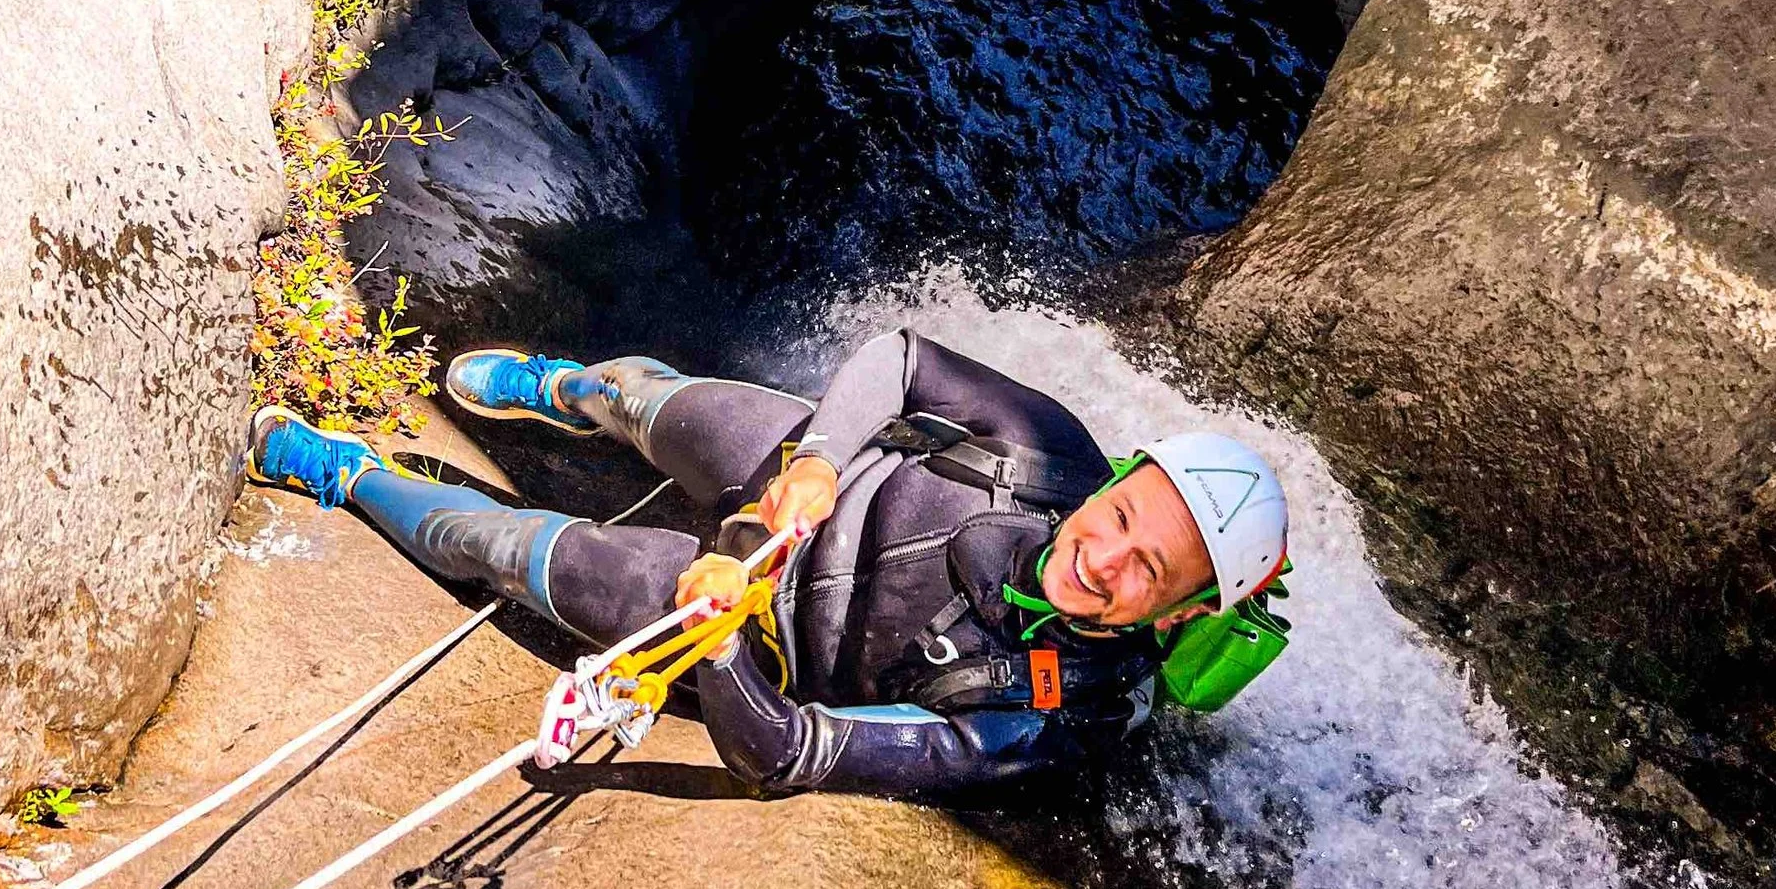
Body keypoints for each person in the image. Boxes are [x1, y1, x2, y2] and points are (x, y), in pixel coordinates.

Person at [248, 331, 1290, 800]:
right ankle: (572, 389)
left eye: (1143, 568)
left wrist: (717, 649)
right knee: (649, 406)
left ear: (1179, 614)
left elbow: (788, 752)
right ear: (1108, 482)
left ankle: (350, 478)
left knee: (499, 550)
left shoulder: (1042, 718)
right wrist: (820, 465)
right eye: (1114, 516)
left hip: (758, 631)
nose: (1098, 554)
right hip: (802, 473)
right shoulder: (1047, 448)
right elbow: (899, 360)